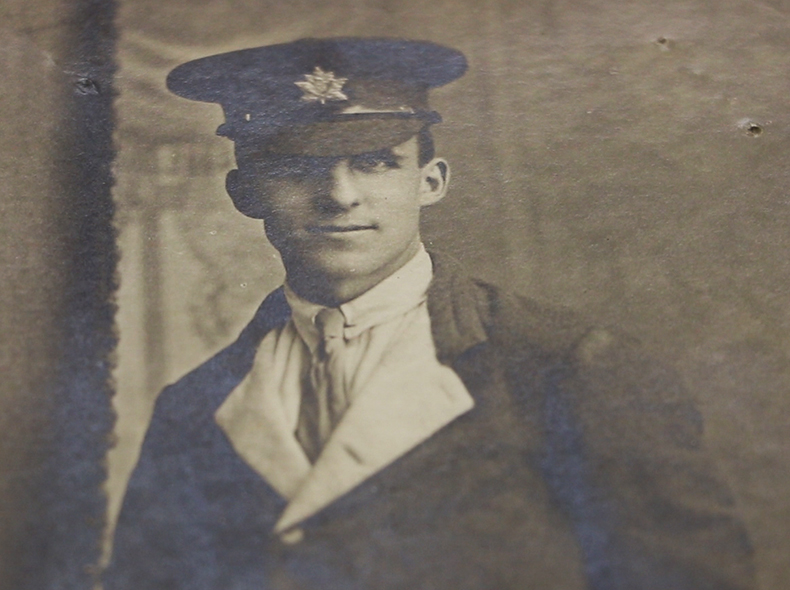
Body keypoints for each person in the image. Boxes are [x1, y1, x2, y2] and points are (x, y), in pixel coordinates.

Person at [105, 38, 755, 590]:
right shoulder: (192, 408)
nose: (339, 195)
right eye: (299, 167)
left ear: (431, 180)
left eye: (374, 161)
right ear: (244, 192)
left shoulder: (566, 366)